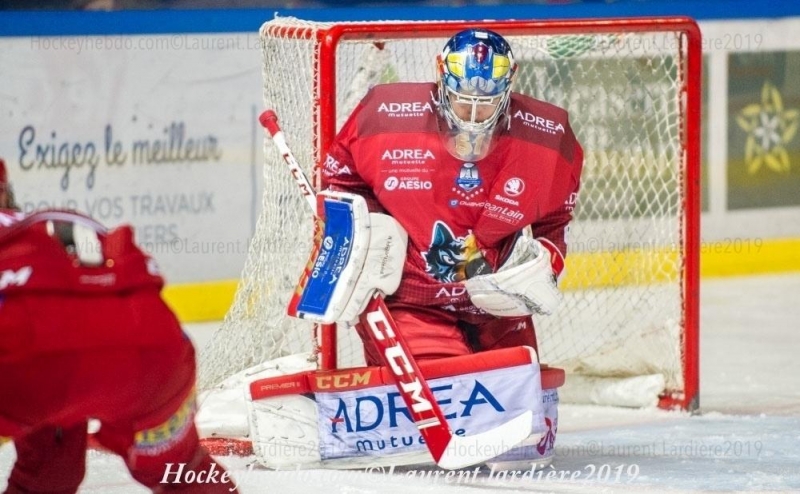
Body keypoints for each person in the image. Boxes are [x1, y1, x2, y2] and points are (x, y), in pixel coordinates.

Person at [318, 29, 584, 365]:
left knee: (522, 394)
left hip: (496, 301)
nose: (473, 116)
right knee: (443, 384)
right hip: (413, 297)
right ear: (440, 71)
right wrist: (364, 239)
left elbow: (555, 217)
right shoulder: (386, 116)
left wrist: (543, 263)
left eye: (486, 104)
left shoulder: (547, 139)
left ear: (510, 82)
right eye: (463, 100)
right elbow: (341, 182)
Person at [0, 174, 238, 492]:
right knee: (184, 473)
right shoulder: (37, 226)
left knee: (47, 471)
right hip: (151, 349)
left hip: (31, 362)